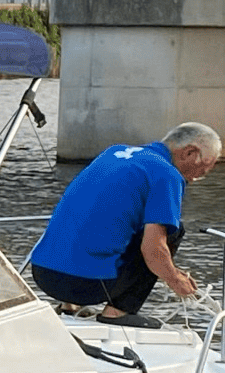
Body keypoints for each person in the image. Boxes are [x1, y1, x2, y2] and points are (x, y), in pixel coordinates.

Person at [29, 124, 220, 328]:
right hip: (84, 285)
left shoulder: (113, 152)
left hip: (43, 274)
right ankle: (117, 312)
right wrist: (175, 280)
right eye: (201, 170)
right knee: (172, 231)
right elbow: (153, 250)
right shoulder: (167, 174)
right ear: (190, 152)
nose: (194, 178)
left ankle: (70, 306)